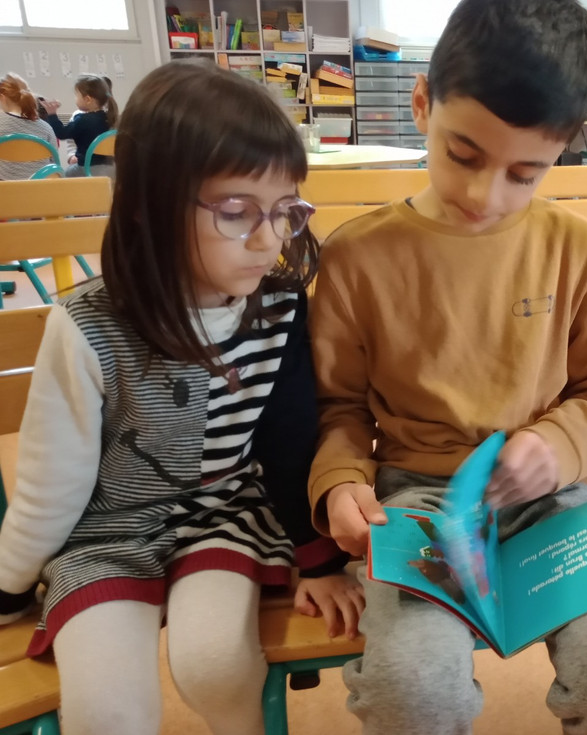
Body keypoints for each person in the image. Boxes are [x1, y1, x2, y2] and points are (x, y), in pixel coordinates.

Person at [308, 1, 587, 733]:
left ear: (562, 150)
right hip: (418, 503)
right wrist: (341, 481)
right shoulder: (357, 257)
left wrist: (559, 442)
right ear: (423, 103)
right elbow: (338, 409)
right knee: (411, 691)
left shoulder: (575, 248)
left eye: (525, 173)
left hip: (557, 501)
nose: (487, 195)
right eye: (464, 155)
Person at [0, 59, 363, 735]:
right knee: (107, 712)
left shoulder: (281, 310)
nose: (269, 240)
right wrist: (8, 585)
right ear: (148, 206)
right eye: (237, 212)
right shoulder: (85, 328)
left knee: (214, 664)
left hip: (226, 517)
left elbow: (290, 443)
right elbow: (51, 487)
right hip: (105, 535)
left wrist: (319, 560)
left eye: (285, 211)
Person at [38, 73, 116, 177]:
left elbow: (62, 133)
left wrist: (52, 115)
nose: (75, 99)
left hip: (87, 169)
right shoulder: (110, 117)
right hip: (111, 170)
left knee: (63, 176)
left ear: (87, 99)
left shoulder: (82, 120)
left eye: (76, 95)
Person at [0, 72, 58, 180]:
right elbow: (54, 162)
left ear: (2, 97)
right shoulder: (46, 128)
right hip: (38, 186)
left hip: (6, 188)